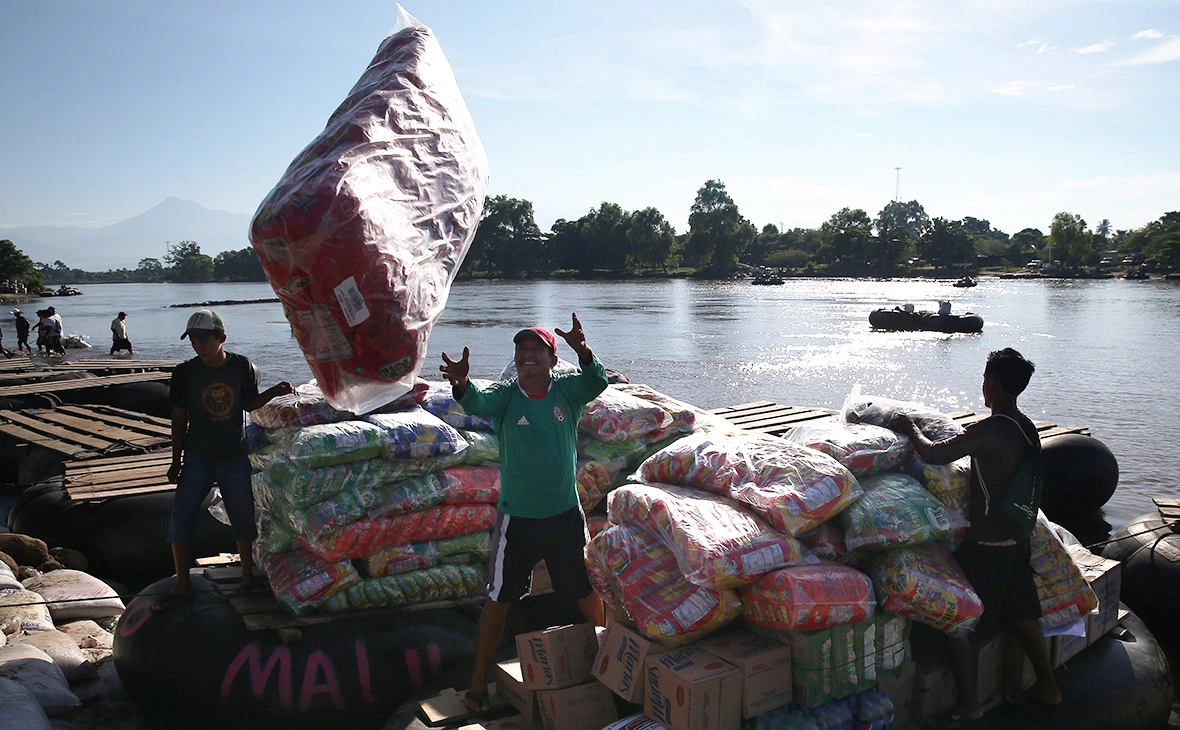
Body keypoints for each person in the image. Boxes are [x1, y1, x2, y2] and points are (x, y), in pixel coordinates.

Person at [440, 313, 608, 715]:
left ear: (552, 359)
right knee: (499, 600)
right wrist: (461, 382)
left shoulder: (567, 392)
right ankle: (479, 677)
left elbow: (596, 381)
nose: (527, 355)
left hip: (565, 516)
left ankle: (607, 657)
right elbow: (476, 400)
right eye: (521, 349)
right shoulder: (506, 396)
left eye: (536, 349)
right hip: (518, 521)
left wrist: (582, 349)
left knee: (584, 592)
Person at [888, 348, 1061, 728]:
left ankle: (969, 704)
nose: (984, 386)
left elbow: (934, 455)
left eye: (986, 379)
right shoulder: (1026, 427)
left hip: (987, 548)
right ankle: (1048, 687)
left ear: (994, 383)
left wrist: (908, 426)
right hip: (1018, 541)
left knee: (955, 617)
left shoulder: (990, 429)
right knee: (1024, 614)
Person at [152, 309, 294, 613]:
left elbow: (248, 403)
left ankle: (246, 577)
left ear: (222, 338)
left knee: (243, 517)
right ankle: (182, 583)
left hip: (233, 455)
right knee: (182, 516)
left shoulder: (243, 366)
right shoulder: (185, 373)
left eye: (204, 339)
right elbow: (179, 418)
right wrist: (175, 461)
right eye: (193, 340)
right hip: (198, 457)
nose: (198, 345)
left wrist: (275, 391)